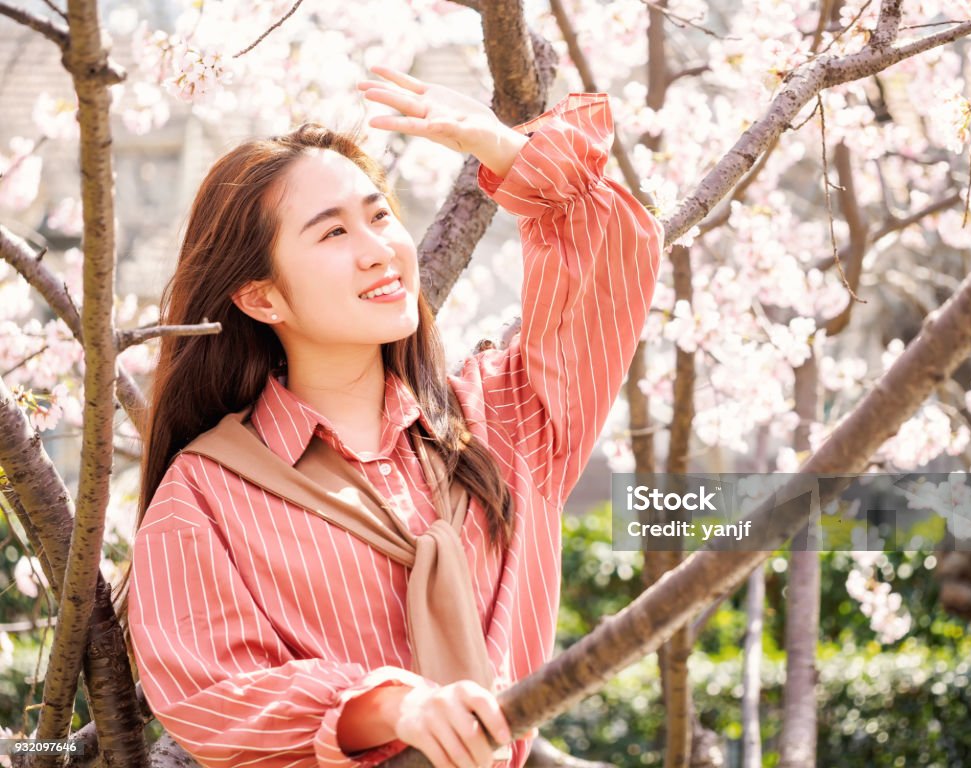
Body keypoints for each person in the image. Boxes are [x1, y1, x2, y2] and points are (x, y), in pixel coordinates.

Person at [120, 65, 664, 768]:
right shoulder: (203, 497)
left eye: (380, 216)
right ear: (262, 299)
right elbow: (214, 694)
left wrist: (498, 147)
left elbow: (614, 257)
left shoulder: (504, 419)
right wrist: (395, 705)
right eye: (333, 233)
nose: (379, 249)